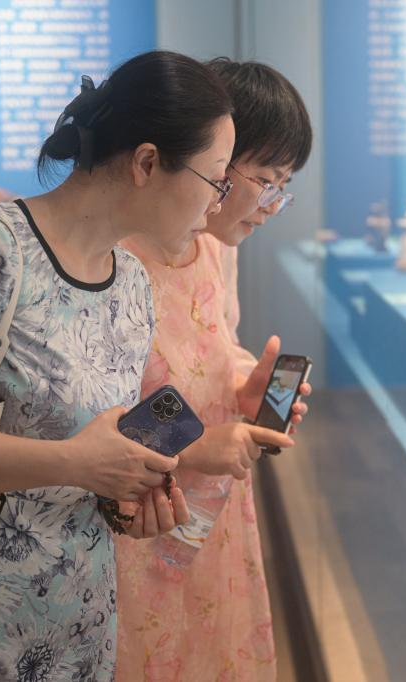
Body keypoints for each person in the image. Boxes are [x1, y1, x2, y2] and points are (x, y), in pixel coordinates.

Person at [0, 50, 236, 681]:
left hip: (78, 632)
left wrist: (124, 498)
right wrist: (75, 462)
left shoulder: (132, 284)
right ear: (147, 163)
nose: (218, 204)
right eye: (216, 179)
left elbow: (90, 459)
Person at [114, 58, 313, 681]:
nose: (273, 205)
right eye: (266, 181)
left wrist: (244, 386)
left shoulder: (214, 250)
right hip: (134, 523)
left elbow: (213, 346)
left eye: (284, 187)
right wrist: (197, 444)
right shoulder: (116, 262)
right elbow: (86, 418)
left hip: (208, 518)